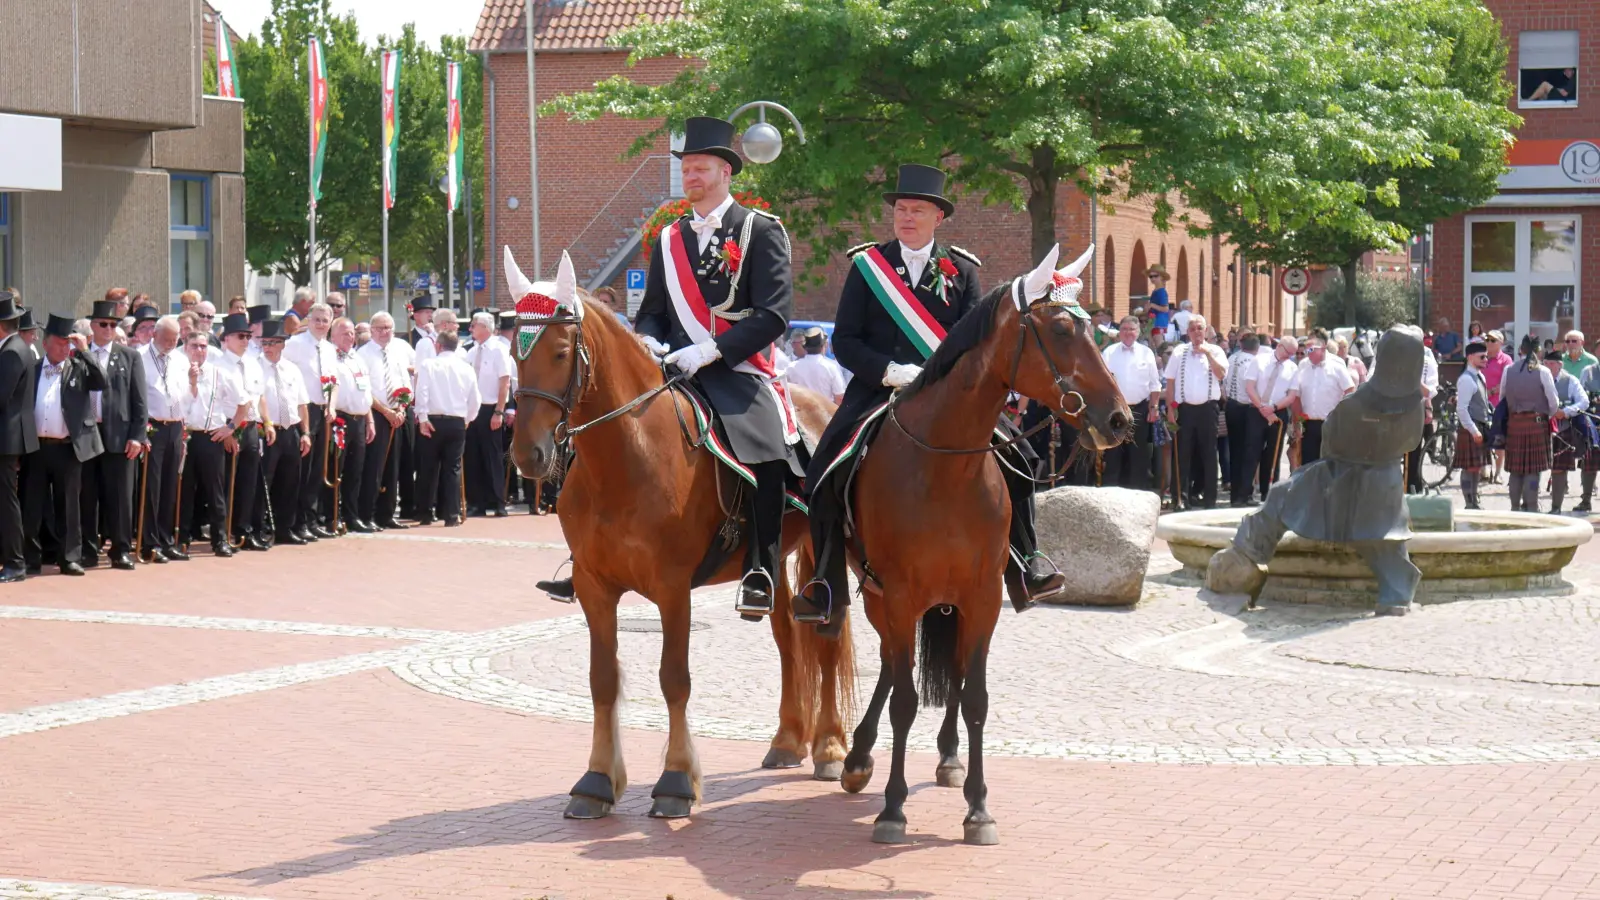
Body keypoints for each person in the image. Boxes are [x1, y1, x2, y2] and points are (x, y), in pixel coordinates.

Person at [796, 162, 1030, 632]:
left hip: (949, 400)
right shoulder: (868, 267)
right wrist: (888, 371)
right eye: (901, 209)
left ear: (937, 218)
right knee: (821, 470)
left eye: (917, 210)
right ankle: (826, 584)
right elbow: (846, 341)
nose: (906, 217)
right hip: (877, 390)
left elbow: (979, 344)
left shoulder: (961, 270)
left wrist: (942, 380)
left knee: (1019, 459)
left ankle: (1027, 563)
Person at [633, 116, 802, 620]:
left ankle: (761, 569)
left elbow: (774, 315)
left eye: (701, 168)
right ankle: (590, 554)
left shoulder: (760, 230)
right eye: (686, 168)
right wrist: (647, 337)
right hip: (673, 366)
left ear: (727, 172)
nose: (691, 177)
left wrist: (710, 351)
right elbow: (655, 310)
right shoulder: (668, 239)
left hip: (737, 366)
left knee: (768, 455)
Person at [1209, 327, 1426, 616]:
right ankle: (1396, 593)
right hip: (1385, 481)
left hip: (1343, 473)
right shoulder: (1415, 405)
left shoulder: (1359, 401)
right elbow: (1411, 442)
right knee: (1386, 541)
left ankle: (1244, 558)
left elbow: (1331, 439)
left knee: (1281, 495)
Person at [24, 315, 107, 576]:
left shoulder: (78, 367)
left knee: (69, 506)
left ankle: (69, 557)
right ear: (46, 344)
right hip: (36, 447)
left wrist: (84, 351)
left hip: (68, 447)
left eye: (67, 344)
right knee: (32, 506)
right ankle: (31, 558)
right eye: (60, 344)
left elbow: (102, 381)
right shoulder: (34, 369)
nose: (64, 348)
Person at [79, 298, 148, 570]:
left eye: (113, 324)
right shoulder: (81, 355)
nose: (108, 329)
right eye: (103, 324)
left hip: (119, 435)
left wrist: (137, 436)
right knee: (87, 496)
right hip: (87, 433)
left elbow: (140, 401)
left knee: (120, 495)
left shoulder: (129, 356)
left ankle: (120, 549)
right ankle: (88, 549)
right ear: (92, 326)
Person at [177, 330, 245, 557]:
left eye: (203, 346)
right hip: (185, 436)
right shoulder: (177, 371)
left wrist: (230, 428)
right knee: (184, 491)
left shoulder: (220, 373)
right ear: (185, 347)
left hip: (210, 436)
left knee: (215, 491)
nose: (199, 350)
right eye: (195, 345)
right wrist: (191, 381)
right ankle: (181, 539)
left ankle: (220, 539)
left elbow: (243, 403)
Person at [282, 302, 339, 539]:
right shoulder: (294, 344)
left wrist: (332, 407)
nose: (321, 324)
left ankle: (310, 520)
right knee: (301, 470)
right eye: (317, 319)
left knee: (317, 469)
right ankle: (295, 522)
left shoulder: (329, 349)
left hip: (323, 411)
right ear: (308, 319)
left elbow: (333, 381)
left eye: (325, 320)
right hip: (301, 411)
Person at [216, 313, 269, 550]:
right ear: (227, 338)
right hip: (228, 426)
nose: (245, 341)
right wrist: (229, 431)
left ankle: (245, 531)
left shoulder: (253, 363)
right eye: (240, 336)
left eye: (248, 336)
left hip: (250, 426)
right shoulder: (217, 365)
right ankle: (224, 532)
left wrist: (266, 423)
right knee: (228, 483)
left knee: (250, 482)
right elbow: (216, 402)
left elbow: (259, 398)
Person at [413, 329, 478, 526]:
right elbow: (475, 398)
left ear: (438, 346)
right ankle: (451, 515)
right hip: (456, 421)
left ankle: (425, 512)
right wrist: (467, 419)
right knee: (453, 469)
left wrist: (422, 417)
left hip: (433, 420)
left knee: (428, 468)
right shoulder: (466, 367)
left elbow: (421, 391)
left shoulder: (429, 365)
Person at [1164, 315, 1229, 509]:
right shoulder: (1179, 351)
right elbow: (1170, 382)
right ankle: (1180, 497)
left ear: (1206, 330)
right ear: (1188, 332)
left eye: (1199, 328)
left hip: (1208, 409)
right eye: (1192, 329)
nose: (1196, 332)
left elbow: (1221, 375)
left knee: (1209, 453)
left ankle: (1210, 499)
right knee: (1182, 453)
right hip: (1184, 409)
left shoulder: (1216, 350)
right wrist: (1170, 409)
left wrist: (1207, 354)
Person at [139, 316, 188, 563]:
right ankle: (150, 542)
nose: (170, 343)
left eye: (175, 339)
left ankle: (167, 540)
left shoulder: (180, 358)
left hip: (175, 427)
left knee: (171, 485)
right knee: (152, 487)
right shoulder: (140, 357)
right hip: (153, 428)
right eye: (166, 339)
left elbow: (185, 393)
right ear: (154, 335)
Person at [358, 312, 413, 530]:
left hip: (397, 415)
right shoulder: (363, 355)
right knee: (374, 466)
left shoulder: (397, 353)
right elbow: (364, 390)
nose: (385, 332)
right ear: (371, 330)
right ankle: (367, 513)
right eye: (380, 328)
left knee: (393, 467)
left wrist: (400, 408)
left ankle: (386, 513)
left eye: (389, 328)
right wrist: (386, 411)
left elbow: (406, 385)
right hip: (376, 414)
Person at [259, 319, 312, 545]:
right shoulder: (256, 366)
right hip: (269, 431)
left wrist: (306, 433)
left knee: (290, 481)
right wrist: (267, 422)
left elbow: (302, 403)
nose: (268, 347)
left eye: (273, 342)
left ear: (282, 344)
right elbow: (257, 400)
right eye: (265, 342)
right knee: (264, 481)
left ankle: (285, 528)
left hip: (291, 430)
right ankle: (261, 528)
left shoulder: (292, 368)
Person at [1101, 315, 1162, 491]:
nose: (1128, 333)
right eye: (1124, 329)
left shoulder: (1146, 352)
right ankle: (1110, 493)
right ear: (1119, 332)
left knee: (1139, 454)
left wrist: (1154, 407)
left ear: (1138, 332)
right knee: (1113, 453)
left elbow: (1154, 384)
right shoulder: (1109, 352)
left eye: (1131, 329)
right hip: (1115, 410)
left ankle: (1138, 492)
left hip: (1140, 409)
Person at [1501, 335, 1560, 512]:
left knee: (1515, 470)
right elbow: (1554, 403)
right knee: (1533, 470)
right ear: (1539, 351)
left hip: (1514, 424)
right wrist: (1544, 416)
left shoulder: (1508, 370)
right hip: (1536, 424)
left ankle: (1514, 508)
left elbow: (1503, 397)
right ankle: (1531, 508)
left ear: (1521, 349)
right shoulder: (1543, 372)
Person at [329, 317, 377, 532]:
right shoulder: (330, 357)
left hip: (359, 419)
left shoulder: (357, 357)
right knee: (335, 469)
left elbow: (365, 390)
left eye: (352, 333)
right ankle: (331, 515)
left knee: (355, 470)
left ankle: (351, 515)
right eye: (345, 333)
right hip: (340, 418)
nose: (350, 337)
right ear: (334, 336)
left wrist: (370, 420)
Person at [464, 311, 512, 517]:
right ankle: (477, 502)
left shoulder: (499, 350)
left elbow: (505, 382)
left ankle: (498, 502)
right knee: (473, 457)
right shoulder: (472, 351)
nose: (471, 328)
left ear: (485, 327)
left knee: (492, 456)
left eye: (474, 325)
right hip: (473, 409)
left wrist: (499, 411)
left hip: (491, 407)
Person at [0, 292, 34, 582]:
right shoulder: (14, 346)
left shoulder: (11, 351)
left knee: (6, 501)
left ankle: (15, 562)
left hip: (5, 440)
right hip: (7, 438)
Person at [1285, 337, 1354, 465]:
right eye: (1306, 350)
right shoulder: (1303, 366)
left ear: (1322, 349)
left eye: (1311, 350)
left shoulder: (1336, 367)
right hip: (1308, 424)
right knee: (1308, 465)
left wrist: (1341, 417)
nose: (1307, 353)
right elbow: (1297, 398)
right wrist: (1298, 425)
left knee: (1330, 464)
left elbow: (1350, 390)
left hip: (1331, 424)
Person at [1249, 335, 1298, 502]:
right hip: (1257, 410)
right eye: (1288, 352)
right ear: (1280, 347)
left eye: (1293, 353)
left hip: (1278, 412)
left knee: (1273, 454)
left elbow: (1291, 395)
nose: (1289, 356)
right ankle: (1244, 493)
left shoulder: (1292, 368)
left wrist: (1274, 408)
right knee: (1251, 452)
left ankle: (1268, 493)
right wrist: (1262, 408)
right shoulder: (1259, 360)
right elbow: (1249, 386)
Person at [1544, 349, 1590, 514]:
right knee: (1532, 468)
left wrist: (1566, 411)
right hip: (1540, 428)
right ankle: (1529, 506)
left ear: (1559, 365)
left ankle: (1556, 507)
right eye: (1545, 363)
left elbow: (1584, 401)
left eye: (1551, 364)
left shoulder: (1570, 380)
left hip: (1563, 429)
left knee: (1558, 468)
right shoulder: (1539, 379)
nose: (1548, 367)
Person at [1222, 330, 1261, 506]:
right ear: (1257, 347)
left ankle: (1235, 495)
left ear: (1241, 345)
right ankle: (1244, 494)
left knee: (1235, 451)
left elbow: (1224, 383)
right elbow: (1253, 387)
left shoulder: (1231, 359)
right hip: (1247, 408)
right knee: (1249, 452)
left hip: (1231, 406)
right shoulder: (1255, 362)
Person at [1453, 341, 1492, 509]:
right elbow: (1461, 409)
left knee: (1476, 467)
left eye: (1486, 356)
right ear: (1470, 358)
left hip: (1480, 424)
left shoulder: (1479, 376)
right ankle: (1469, 503)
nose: (1485, 359)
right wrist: (1474, 430)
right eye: (1481, 357)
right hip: (1470, 427)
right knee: (1469, 467)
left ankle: (1474, 500)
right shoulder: (1466, 380)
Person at [785, 326, 846, 404]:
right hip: (825, 413)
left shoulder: (791, 368)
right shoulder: (831, 367)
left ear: (805, 347)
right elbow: (839, 397)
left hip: (800, 413)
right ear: (823, 346)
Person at [1146, 267, 1171, 341]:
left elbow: (1165, 308)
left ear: (1162, 277)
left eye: (1155, 276)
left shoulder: (1162, 292)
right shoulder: (1156, 291)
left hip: (1159, 322)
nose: (1153, 278)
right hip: (1153, 321)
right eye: (1151, 276)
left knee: (1159, 345)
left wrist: (1152, 305)